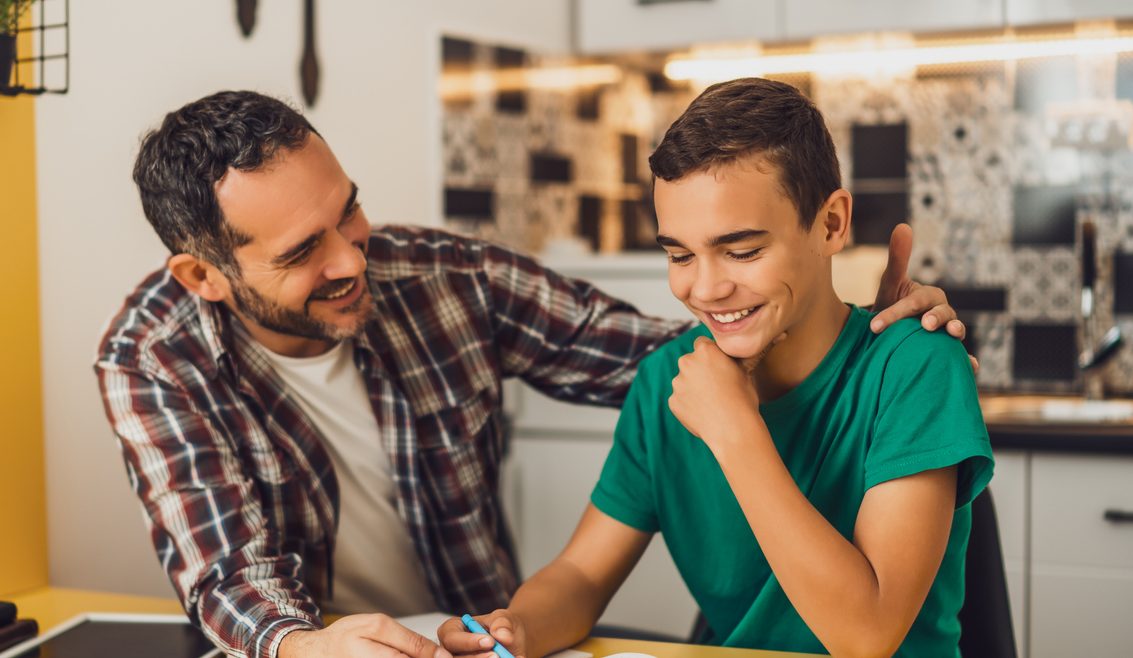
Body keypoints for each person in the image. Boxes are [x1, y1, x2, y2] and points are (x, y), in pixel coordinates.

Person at [95, 89, 968, 658]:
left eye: (347, 212)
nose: (351, 258)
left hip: (468, 634)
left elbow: (679, 344)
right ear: (204, 276)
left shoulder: (445, 278)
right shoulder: (150, 358)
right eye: (299, 252)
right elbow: (223, 572)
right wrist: (305, 645)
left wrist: (856, 327)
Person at [438, 78, 993, 658]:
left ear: (830, 225)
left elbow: (867, 635)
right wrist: (516, 627)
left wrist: (735, 429)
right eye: (678, 255)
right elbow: (581, 574)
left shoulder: (918, 367)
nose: (704, 287)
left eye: (743, 251)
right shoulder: (665, 383)